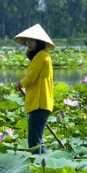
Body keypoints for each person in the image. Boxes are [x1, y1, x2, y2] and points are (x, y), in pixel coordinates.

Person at [13, 24, 55, 154]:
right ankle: (45, 167)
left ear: (39, 42)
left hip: (39, 103)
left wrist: (19, 83)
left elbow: (30, 78)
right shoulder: (45, 55)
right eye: (28, 40)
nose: (29, 43)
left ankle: (37, 167)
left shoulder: (40, 56)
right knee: (38, 140)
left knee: (34, 141)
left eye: (32, 40)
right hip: (43, 102)